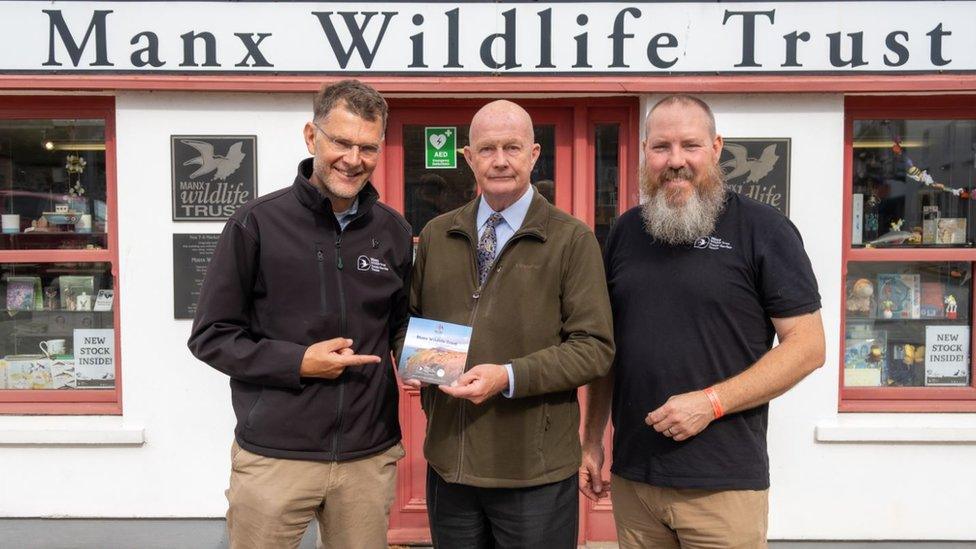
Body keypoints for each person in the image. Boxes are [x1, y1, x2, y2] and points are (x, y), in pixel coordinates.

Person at [580, 95, 825, 548]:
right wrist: (591, 437)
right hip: (636, 483)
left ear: (716, 148)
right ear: (644, 154)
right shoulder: (625, 232)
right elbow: (607, 349)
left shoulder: (763, 229)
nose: (676, 161)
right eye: (661, 147)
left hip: (723, 487)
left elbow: (808, 346)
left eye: (690, 146)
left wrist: (711, 402)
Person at [187, 80, 412, 549]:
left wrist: (428, 361)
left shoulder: (392, 231)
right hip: (275, 456)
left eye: (367, 147)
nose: (354, 158)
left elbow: (398, 324)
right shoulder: (256, 224)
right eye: (341, 141)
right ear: (312, 137)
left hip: (366, 458)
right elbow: (211, 334)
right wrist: (297, 363)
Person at [406, 100, 614, 548]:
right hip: (451, 465)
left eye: (512, 148)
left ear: (534, 155)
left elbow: (594, 347)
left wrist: (508, 376)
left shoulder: (571, 239)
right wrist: (425, 373)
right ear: (468, 157)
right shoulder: (438, 235)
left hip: (533, 472)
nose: (500, 160)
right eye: (487, 149)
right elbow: (416, 323)